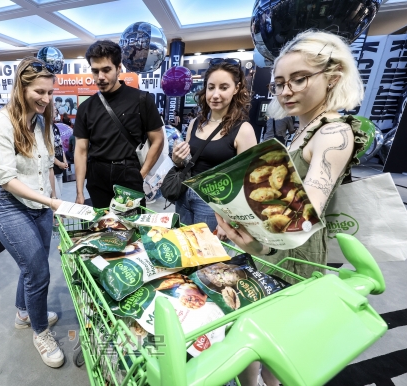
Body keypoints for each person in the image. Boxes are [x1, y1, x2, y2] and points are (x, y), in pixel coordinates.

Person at [216, 31, 366, 386]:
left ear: (332, 77)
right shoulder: (300, 131)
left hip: (294, 259)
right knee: (249, 331)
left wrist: (259, 241)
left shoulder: (333, 134)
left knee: (275, 348)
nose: (286, 91)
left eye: (299, 79)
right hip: (267, 249)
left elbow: (303, 215)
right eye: (280, 83)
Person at [0, 57, 64, 368]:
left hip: (41, 206)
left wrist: (53, 195)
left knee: (34, 266)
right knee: (38, 272)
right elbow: (6, 178)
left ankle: (23, 313)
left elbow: (44, 165)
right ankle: (40, 330)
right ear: (21, 87)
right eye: (39, 92)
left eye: (50, 92)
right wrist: (50, 203)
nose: (45, 99)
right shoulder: (0, 123)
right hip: (11, 208)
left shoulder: (40, 120)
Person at [73, 40, 164, 208]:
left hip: (128, 173)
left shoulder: (141, 99)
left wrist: (140, 175)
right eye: (95, 71)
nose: (100, 77)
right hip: (97, 176)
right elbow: (81, 150)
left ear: (119, 68)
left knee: (131, 228)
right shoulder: (86, 107)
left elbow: (158, 139)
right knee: (101, 228)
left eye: (106, 70)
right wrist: (79, 192)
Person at [172, 58, 257, 234]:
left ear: (237, 88)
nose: (215, 94)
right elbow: (188, 162)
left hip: (214, 203)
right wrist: (178, 160)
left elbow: (246, 182)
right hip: (184, 194)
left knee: (207, 255)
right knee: (184, 248)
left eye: (223, 87)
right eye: (211, 87)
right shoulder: (196, 123)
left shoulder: (243, 130)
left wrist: (230, 219)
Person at [52, 123, 69, 198]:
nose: (55, 111)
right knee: (56, 196)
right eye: (53, 110)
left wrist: (64, 160)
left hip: (60, 167)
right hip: (52, 168)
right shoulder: (44, 126)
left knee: (60, 196)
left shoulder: (55, 127)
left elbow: (60, 146)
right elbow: (47, 153)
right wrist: (59, 164)